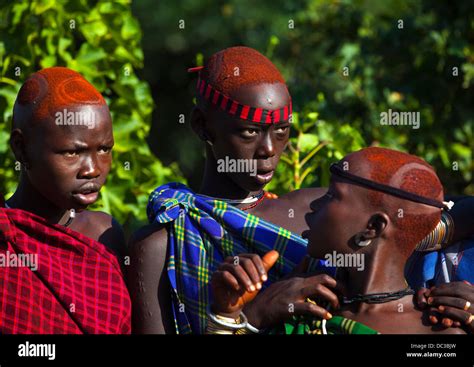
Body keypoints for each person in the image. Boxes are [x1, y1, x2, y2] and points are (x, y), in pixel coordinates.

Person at [129, 46, 474, 334]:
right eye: (249, 132)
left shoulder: (324, 211)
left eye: (281, 131)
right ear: (202, 125)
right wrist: (254, 315)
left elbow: (415, 215)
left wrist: (436, 251)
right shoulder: (162, 242)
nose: (268, 149)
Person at [208, 147, 472, 334]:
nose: (312, 205)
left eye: (332, 195)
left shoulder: (439, 332)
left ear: (373, 227)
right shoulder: (297, 307)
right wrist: (238, 314)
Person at [0, 67, 131, 333]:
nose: (92, 168)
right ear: (21, 148)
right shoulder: (4, 237)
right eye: (72, 152)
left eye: (105, 149)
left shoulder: (105, 235)